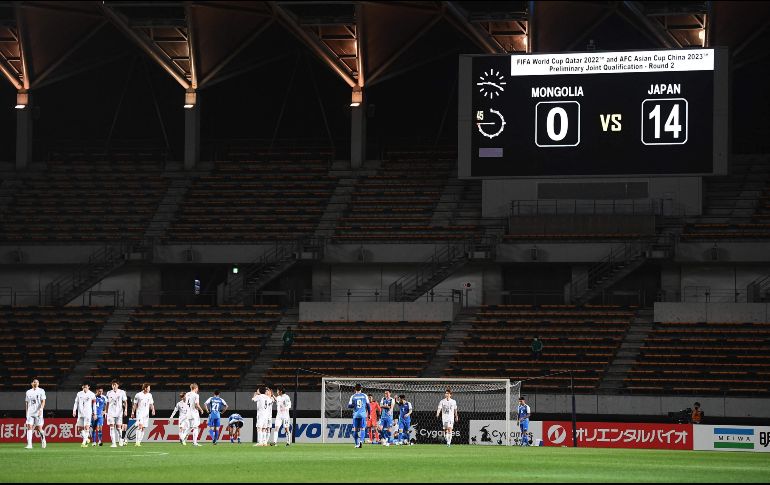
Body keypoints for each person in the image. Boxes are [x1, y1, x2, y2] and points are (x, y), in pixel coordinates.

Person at [24, 379, 47, 449]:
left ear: (38, 383)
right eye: (34, 382)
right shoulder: (28, 392)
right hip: (30, 412)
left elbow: (43, 401)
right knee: (29, 427)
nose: (35, 383)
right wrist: (26, 412)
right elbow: (27, 402)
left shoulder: (41, 391)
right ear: (32, 383)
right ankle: (29, 444)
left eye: (37, 382)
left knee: (39, 428)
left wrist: (41, 409)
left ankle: (43, 438)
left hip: (38, 412)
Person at [105, 380, 128, 447]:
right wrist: (106, 412)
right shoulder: (109, 393)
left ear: (118, 385)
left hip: (119, 412)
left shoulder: (122, 392)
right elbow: (107, 403)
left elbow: (125, 402)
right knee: (111, 427)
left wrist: (125, 410)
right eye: (112, 385)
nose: (114, 386)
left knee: (118, 428)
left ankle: (121, 440)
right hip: (111, 412)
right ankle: (114, 443)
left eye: (115, 384)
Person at [73, 383, 96, 448]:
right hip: (80, 414)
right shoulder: (79, 393)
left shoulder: (92, 394)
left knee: (86, 428)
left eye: (86, 387)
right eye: (83, 387)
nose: (84, 388)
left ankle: (84, 442)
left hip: (88, 413)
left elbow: (94, 404)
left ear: (89, 387)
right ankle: (86, 439)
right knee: (79, 429)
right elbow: (76, 402)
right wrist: (74, 410)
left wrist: (95, 413)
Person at [347, 384, 369, 448]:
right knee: (363, 429)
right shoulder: (364, 395)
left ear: (355, 389)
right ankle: (361, 441)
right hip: (362, 414)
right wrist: (369, 414)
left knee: (355, 430)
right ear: (361, 389)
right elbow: (368, 406)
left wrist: (354, 404)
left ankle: (356, 444)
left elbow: (349, 406)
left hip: (356, 415)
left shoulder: (353, 396)